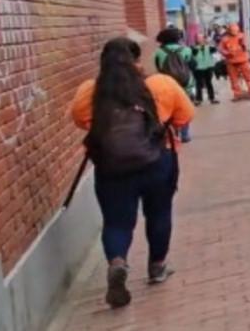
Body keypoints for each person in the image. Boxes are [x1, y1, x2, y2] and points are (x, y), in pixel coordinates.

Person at [70, 37, 194, 309]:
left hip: (112, 167)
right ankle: (158, 266)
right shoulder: (161, 84)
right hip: (158, 161)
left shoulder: (91, 91)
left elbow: (80, 120)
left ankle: (117, 262)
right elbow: (186, 115)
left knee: (116, 222)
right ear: (138, 60)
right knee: (159, 213)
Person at [155, 27, 196, 141]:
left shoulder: (159, 52)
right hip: (185, 84)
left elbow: (158, 67)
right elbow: (193, 65)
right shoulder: (186, 50)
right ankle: (185, 134)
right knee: (184, 108)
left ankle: (173, 134)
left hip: (167, 84)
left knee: (170, 109)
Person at [218, 23, 250, 101]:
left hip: (243, 60)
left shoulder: (242, 36)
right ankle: (237, 94)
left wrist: (244, 44)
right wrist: (227, 53)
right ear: (229, 30)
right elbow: (220, 49)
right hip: (231, 62)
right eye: (233, 30)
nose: (235, 32)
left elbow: (247, 46)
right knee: (233, 79)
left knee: (248, 77)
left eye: (236, 30)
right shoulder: (225, 39)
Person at [191, 32, 219, 105]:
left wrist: (209, 43)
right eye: (198, 38)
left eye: (201, 38)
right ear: (196, 40)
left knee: (209, 83)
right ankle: (198, 99)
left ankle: (212, 98)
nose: (200, 39)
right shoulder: (193, 48)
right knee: (199, 84)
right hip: (198, 68)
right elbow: (193, 54)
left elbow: (215, 49)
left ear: (204, 39)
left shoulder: (209, 47)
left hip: (208, 67)